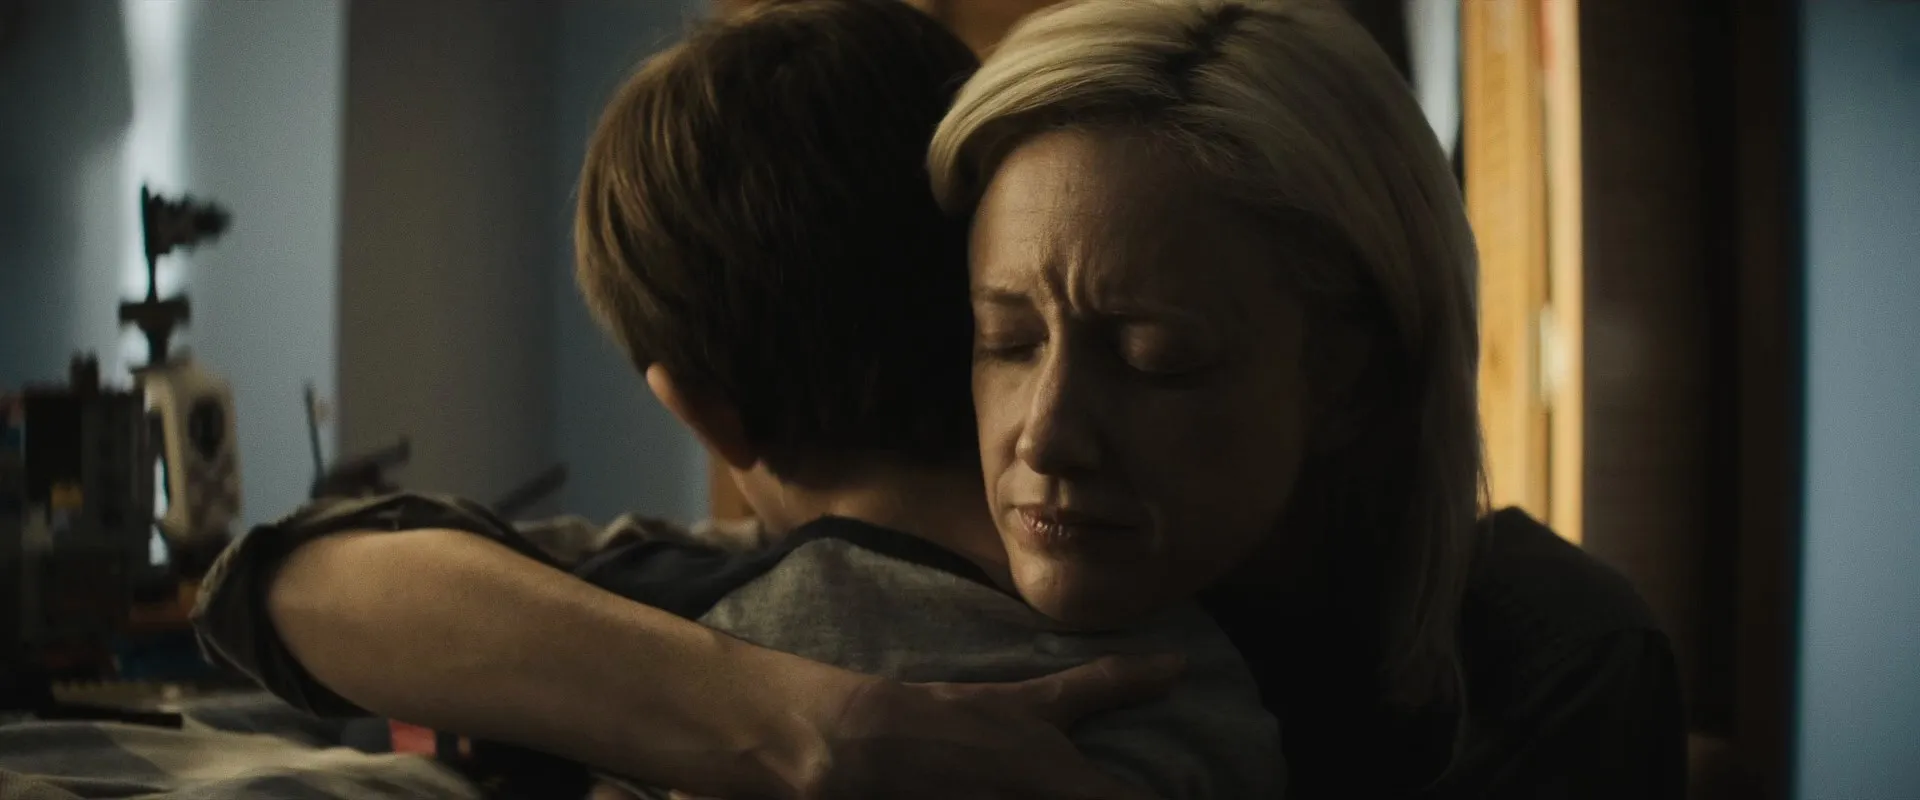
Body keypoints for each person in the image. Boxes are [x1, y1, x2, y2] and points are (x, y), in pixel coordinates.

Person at [195, 0, 1688, 798]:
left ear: (1353, 372)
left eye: (1157, 355)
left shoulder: (1550, 662)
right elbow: (297, 583)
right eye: (1003, 338)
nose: (1046, 434)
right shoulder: (904, 564)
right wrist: (806, 725)